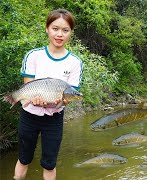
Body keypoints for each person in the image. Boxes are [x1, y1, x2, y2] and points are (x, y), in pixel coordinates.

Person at [14, 9, 83, 180]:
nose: (60, 34)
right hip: (29, 116)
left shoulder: (75, 62)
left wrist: (62, 102)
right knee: (24, 159)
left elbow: (70, 95)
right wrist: (33, 100)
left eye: (65, 30)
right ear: (47, 29)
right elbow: (28, 88)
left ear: (70, 33)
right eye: (55, 28)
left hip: (54, 119)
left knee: (50, 163)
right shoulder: (33, 56)